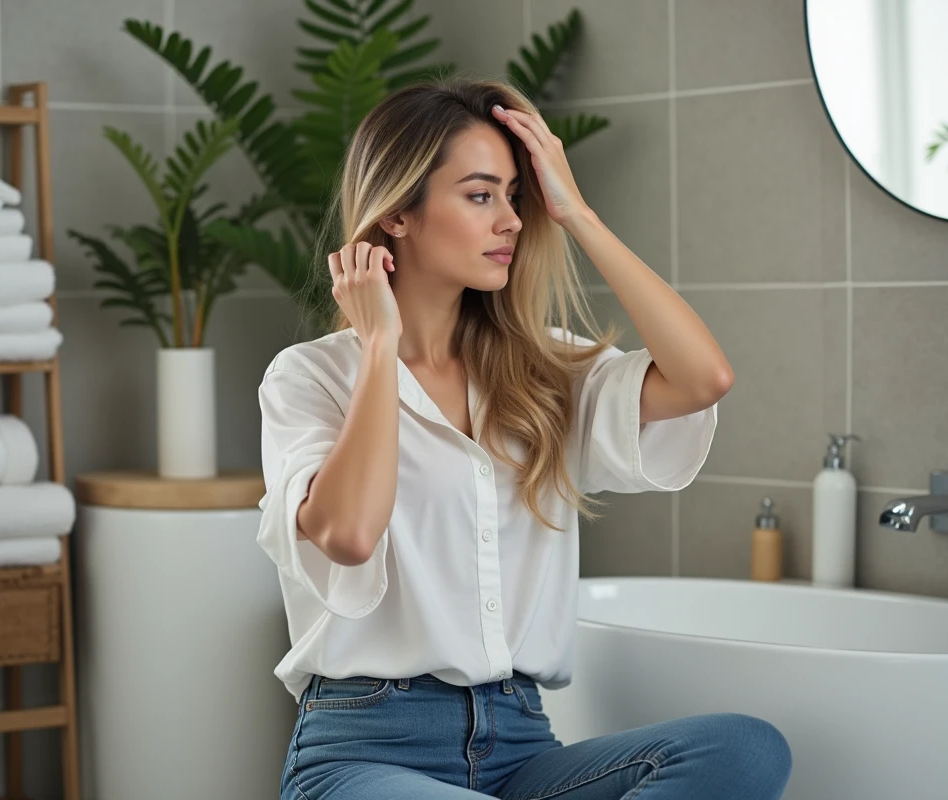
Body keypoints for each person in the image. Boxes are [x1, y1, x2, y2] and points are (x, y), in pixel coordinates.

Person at [256, 75, 792, 799]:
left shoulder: (541, 370)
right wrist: (379, 343)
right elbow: (348, 535)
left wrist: (577, 214)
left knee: (746, 750)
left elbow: (703, 378)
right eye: (480, 195)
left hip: (519, 748)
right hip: (363, 750)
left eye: (515, 196)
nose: (510, 219)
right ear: (399, 215)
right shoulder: (309, 377)